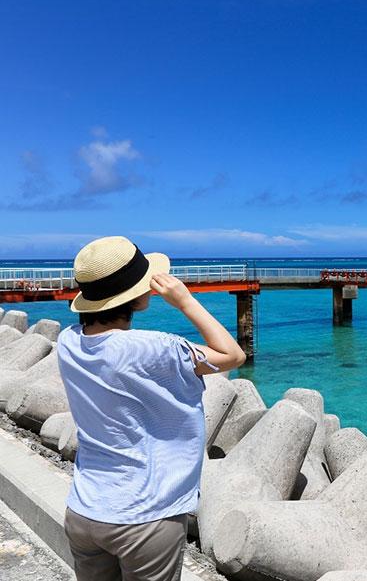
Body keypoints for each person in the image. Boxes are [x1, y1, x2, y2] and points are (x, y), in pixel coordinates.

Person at [56, 236, 246, 581]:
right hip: (146, 515)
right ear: (135, 295)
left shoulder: (67, 341)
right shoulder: (156, 348)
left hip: (85, 508)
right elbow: (232, 356)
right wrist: (185, 302)